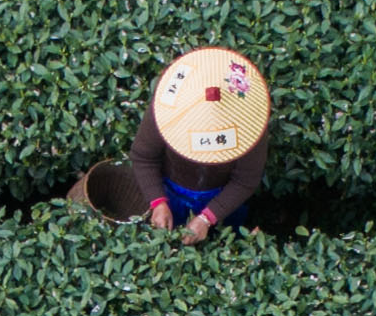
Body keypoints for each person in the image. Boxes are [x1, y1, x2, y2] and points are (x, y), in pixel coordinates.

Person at [115, 46, 271, 242]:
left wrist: (208, 217)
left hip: (222, 194)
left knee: (222, 237)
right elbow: (144, 156)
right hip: (173, 188)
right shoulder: (166, 108)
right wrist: (158, 202)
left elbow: (245, 180)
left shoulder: (251, 123)